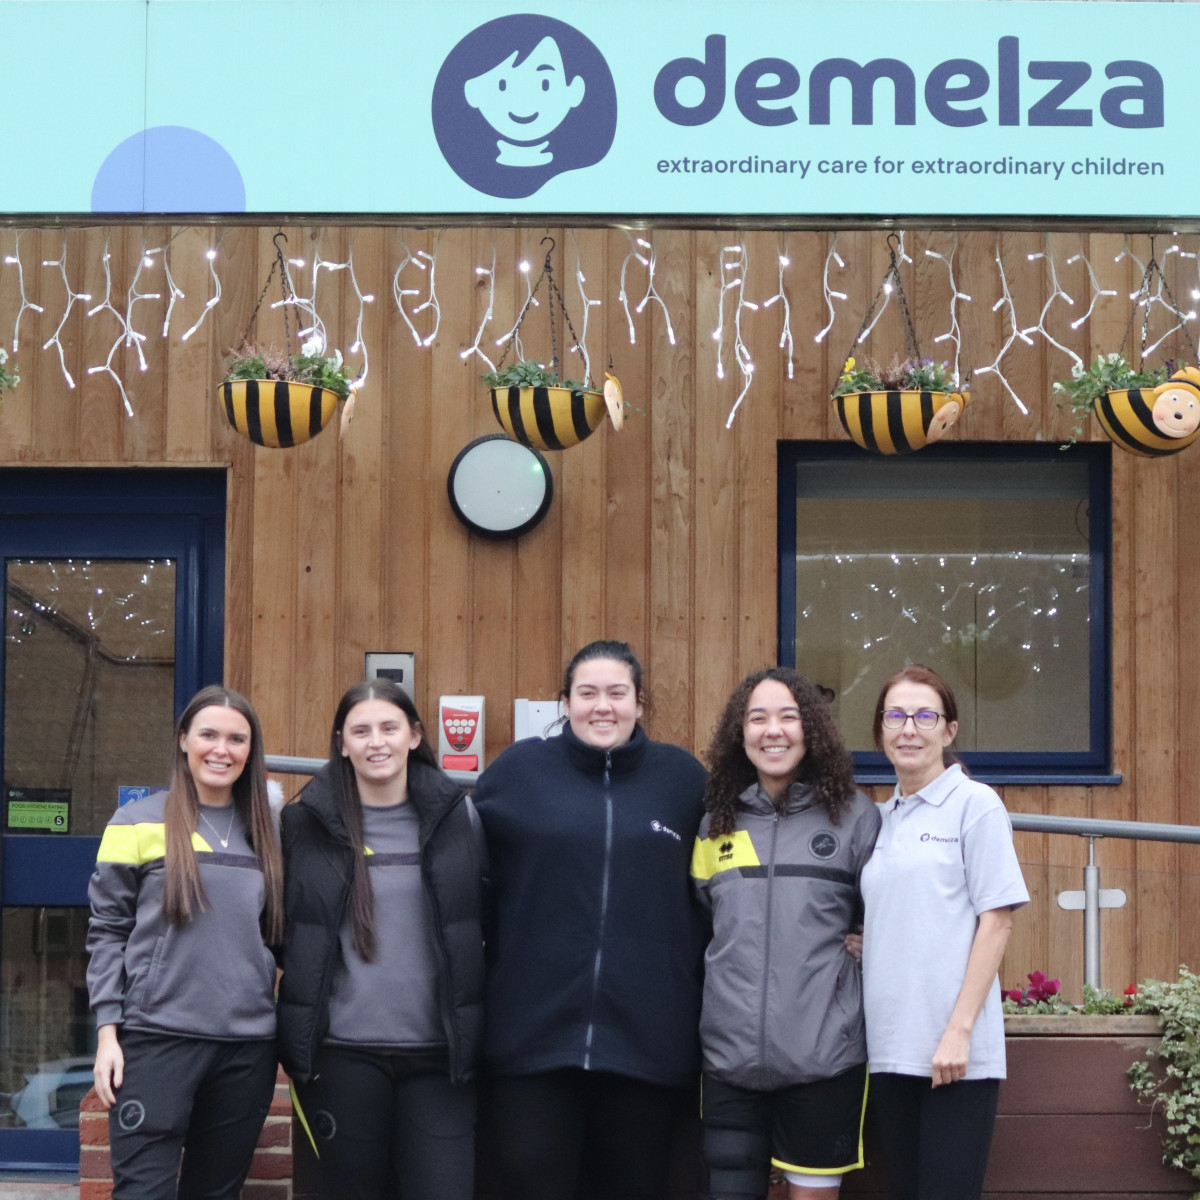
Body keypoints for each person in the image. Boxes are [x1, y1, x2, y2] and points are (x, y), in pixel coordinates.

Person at [473, 639, 708, 1200]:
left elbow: (722, 891)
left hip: (647, 1041)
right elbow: (469, 881)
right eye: (587, 693)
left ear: (639, 702)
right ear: (565, 702)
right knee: (531, 1179)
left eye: (617, 693)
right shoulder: (518, 773)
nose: (602, 706)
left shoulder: (683, 781)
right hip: (532, 1038)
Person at [276, 679, 485, 1200]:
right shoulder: (303, 825)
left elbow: (483, 919)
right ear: (341, 742)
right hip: (341, 1054)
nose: (377, 742)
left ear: (414, 735)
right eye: (361, 730)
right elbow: (284, 929)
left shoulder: (459, 819)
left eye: (389, 727)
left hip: (440, 1057)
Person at [86, 686, 283, 1200]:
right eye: (209, 735)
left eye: (237, 739)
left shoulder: (269, 832)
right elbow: (107, 931)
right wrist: (108, 1033)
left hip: (246, 1048)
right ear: (183, 741)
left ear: (250, 750)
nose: (222, 749)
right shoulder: (135, 822)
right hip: (156, 1040)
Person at [692, 667, 881, 1199]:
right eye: (757, 718)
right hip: (728, 1061)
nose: (772, 730)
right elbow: (707, 917)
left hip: (824, 1059)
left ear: (811, 730)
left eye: (788, 717)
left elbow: (883, 913)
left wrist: (869, 946)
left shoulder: (855, 819)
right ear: (740, 733)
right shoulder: (716, 825)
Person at [861, 664, 1030, 1200]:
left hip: (954, 1058)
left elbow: (997, 921)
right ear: (881, 730)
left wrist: (958, 1030)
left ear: (949, 730)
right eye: (895, 715)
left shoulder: (975, 806)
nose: (908, 728)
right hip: (890, 1049)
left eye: (924, 715)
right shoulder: (880, 819)